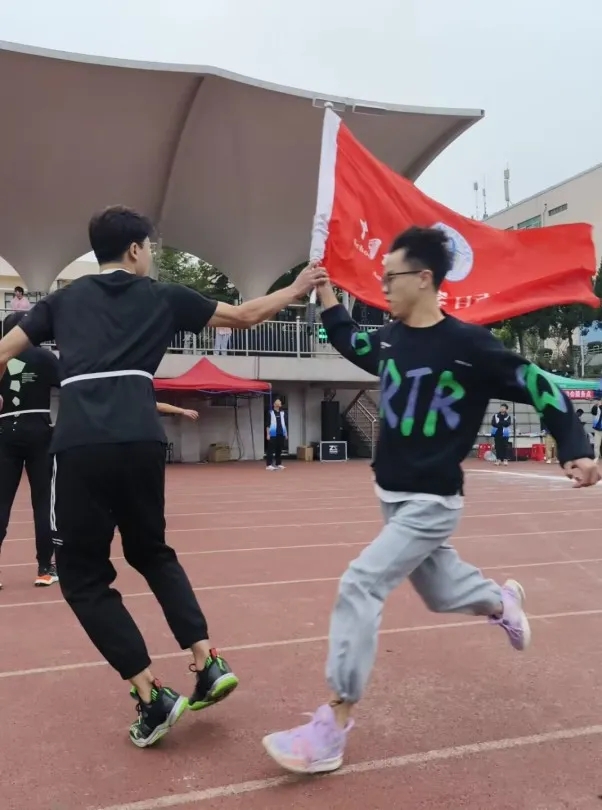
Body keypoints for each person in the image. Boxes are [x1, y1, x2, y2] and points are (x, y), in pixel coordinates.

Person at [262, 226, 599, 774]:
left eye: (390, 277)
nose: (383, 287)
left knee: (360, 583)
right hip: (391, 496)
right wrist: (325, 293)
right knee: (442, 594)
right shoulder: (391, 339)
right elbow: (351, 341)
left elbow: (542, 385)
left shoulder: (471, 347)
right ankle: (499, 602)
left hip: (432, 502)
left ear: (424, 279)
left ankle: (333, 726)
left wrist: (577, 447)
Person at [0, 205, 327, 748]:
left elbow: (5, 351)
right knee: (151, 552)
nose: (150, 255)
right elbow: (245, 317)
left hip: (81, 444)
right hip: (141, 439)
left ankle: (151, 695)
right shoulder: (164, 297)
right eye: (149, 246)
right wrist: (297, 288)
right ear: (135, 249)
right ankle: (207, 660)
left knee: (82, 576)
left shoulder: (61, 301)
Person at [0, 312, 60, 589]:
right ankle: (45, 568)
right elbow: (69, 386)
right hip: (39, 428)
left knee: (1, 501)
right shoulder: (45, 357)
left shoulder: (3, 355)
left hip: (4, 430)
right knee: (43, 501)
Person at [266, 398, 287, 470]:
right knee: (271, 449)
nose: (279, 403)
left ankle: (278, 463)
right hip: (273, 433)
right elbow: (268, 424)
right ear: (274, 404)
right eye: (278, 402)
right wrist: (268, 434)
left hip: (281, 433)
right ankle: (269, 464)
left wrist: (286, 433)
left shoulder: (282, 413)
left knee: (279, 449)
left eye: (280, 402)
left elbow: (284, 424)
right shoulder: (270, 413)